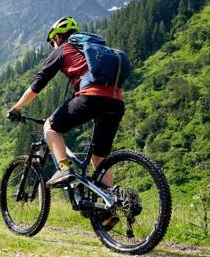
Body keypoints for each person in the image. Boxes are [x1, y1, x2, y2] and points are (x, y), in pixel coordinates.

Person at [7, 16, 125, 225]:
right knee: (99, 159)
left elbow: (38, 83)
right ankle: (110, 205)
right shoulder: (94, 48)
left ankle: (63, 169)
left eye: (53, 41)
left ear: (59, 37)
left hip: (90, 98)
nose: (53, 45)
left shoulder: (63, 49)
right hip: (116, 101)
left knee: (50, 127)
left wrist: (17, 108)